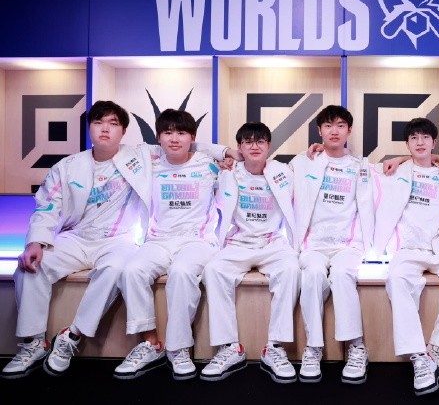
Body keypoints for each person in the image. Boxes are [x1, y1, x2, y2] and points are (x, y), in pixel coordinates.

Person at [1, 100, 153, 379]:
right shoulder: (68, 166)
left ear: (123, 131)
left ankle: (72, 335)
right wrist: (35, 243)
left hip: (118, 239)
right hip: (77, 237)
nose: (105, 129)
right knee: (30, 267)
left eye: (113, 124)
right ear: (89, 128)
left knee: (116, 269)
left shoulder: (139, 157)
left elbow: (186, 146)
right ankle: (33, 342)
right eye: (98, 122)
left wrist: (226, 153)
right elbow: (48, 206)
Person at [372, 118, 439, 396]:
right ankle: (419, 356)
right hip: (408, 248)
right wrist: (400, 160)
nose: (420, 142)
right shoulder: (394, 171)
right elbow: (356, 169)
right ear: (407, 144)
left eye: (425, 137)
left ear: (434, 142)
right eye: (414, 138)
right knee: (396, 279)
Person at [114, 109, 221, 381]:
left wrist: (226, 152)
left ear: (192, 138)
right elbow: (123, 150)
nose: (174, 139)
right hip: (158, 239)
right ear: (158, 137)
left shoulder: (209, 164)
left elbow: (239, 161)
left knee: (182, 272)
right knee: (132, 271)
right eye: (168, 133)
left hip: (197, 240)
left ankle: (178, 348)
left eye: (182, 133)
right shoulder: (149, 163)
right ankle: (150, 343)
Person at [200, 122, 300, 383]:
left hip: (272, 243)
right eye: (248, 142)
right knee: (213, 270)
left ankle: (275, 347)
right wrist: (225, 153)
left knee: (291, 269)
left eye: (260, 141)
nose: (254, 146)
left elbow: (318, 160)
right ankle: (230, 347)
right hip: (238, 243)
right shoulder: (227, 172)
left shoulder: (284, 171)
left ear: (269, 146)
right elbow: (193, 148)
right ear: (240, 147)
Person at [289, 105, 374, 384]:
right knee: (312, 274)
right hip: (312, 245)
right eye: (328, 126)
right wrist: (227, 158)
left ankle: (356, 346)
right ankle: (313, 347)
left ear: (349, 130)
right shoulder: (303, 162)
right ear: (319, 131)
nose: (334, 131)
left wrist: (401, 158)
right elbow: (263, 168)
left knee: (342, 273)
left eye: (340, 125)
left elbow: (408, 166)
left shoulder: (361, 166)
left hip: (348, 245)